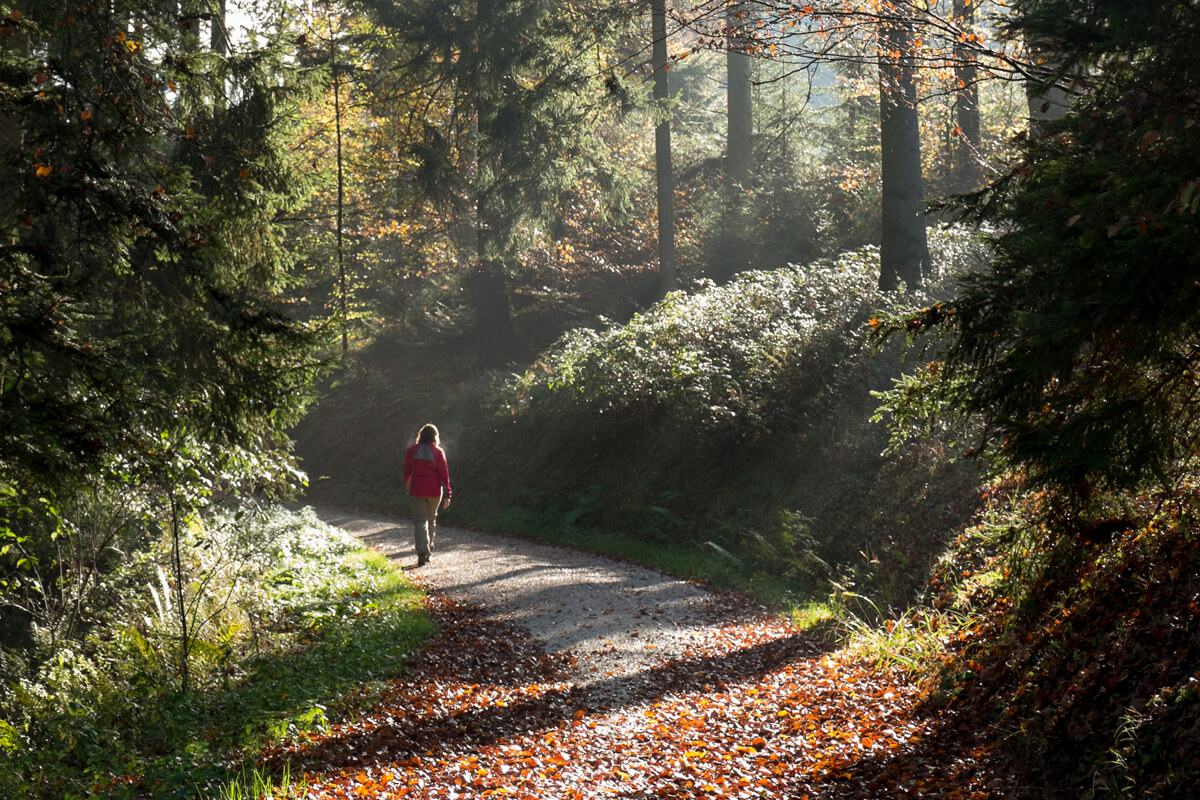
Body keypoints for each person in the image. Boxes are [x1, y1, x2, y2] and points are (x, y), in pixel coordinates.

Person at [403, 423, 452, 566]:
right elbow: (444, 475)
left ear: (421, 436)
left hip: (416, 490)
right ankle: (428, 549)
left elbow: (407, 472)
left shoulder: (412, 451)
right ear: (435, 437)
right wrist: (448, 494)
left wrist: (407, 485)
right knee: (431, 520)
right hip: (434, 492)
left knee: (420, 521)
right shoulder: (438, 452)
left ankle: (422, 551)